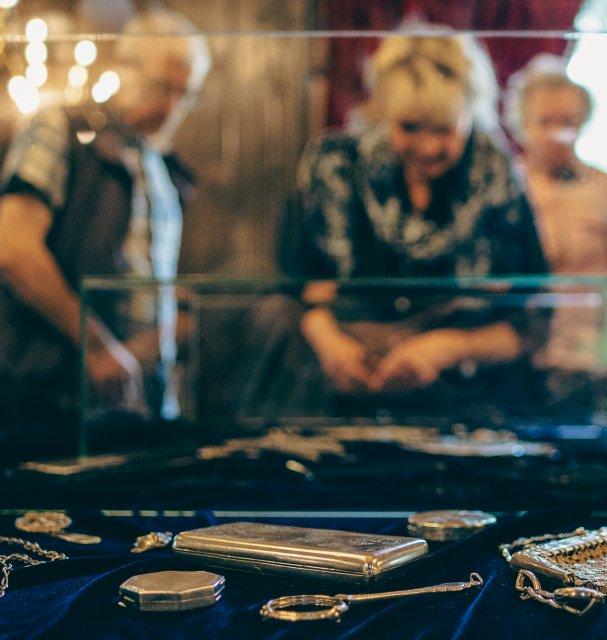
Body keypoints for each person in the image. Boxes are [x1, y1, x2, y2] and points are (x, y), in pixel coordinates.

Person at [238, 32, 548, 422]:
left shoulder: (499, 185)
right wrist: (334, 347)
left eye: (444, 129)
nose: (428, 147)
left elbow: (530, 321)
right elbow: (293, 289)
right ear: (383, 113)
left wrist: (449, 347)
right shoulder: (335, 168)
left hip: (465, 405)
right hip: (335, 400)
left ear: (472, 114)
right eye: (410, 127)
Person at [0, 9, 211, 431]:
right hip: (54, 401)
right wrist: (96, 346)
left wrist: (143, 351)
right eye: (163, 87)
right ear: (124, 67)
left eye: (184, 94)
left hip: (137, 407)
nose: (171, 107)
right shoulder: (60, 127)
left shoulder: (162, 165)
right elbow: (13, 249)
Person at [504, 54, 607, 417]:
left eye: (567, 122)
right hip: (513, 366)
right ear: (522, 123)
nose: (557, 135)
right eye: (545, 122)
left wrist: (605, 356)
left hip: (586, 370)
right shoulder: (502, 191)